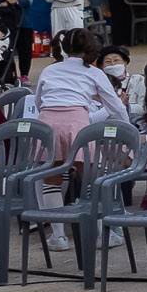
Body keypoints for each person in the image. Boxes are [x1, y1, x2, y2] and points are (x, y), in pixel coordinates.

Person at [33, 28, 136, 253]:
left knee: (52, 181)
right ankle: (103, 236)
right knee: (91, 179)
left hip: (47, 123)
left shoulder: (49, 70)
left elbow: (39, 100)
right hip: (78, 124)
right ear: (92, 48)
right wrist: (128, 129)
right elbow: (116, 106)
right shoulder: (94, 72)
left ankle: (58, 237)